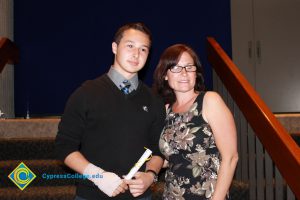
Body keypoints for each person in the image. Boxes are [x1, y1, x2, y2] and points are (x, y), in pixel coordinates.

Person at [55, 22, 165, 200]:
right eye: (130, 46)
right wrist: (98, 176)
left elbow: (158, 150)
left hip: (139, 197)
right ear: (115, 47)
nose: (136, 54)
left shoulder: (155, 100)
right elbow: (64, 147)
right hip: (90, 195)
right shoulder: (86, 93)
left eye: (143, 49)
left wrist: (151, 175)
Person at [153, 44, 238, 200]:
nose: (184, 73)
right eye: (176, 68)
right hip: (172, 195)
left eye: (189, 67)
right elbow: (172, 157)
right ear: (165, 75)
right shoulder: (167, 111)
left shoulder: (210, 100)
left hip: (207, 195)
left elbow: (231, 157)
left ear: (196, 73)